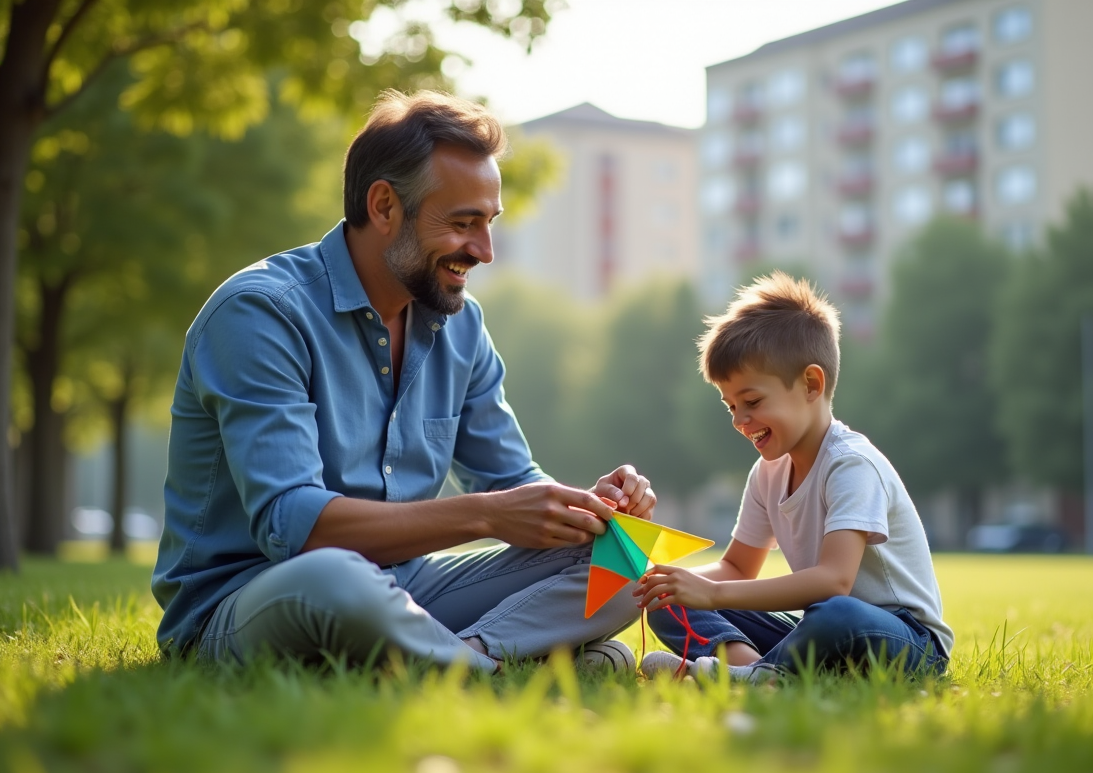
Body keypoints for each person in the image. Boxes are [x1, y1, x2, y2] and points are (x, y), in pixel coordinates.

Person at [151, 90, 654, 674]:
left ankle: (467, 657)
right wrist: (487, 514)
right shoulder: (260, 314)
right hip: (253, 597)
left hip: (407, 588)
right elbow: (292, 525)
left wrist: (590, 508)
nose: (485, 252)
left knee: (627, 555)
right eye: (463, 224)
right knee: (335, 574)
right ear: (385, 207)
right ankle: (513, 660)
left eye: (489, 225)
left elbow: (513, 482)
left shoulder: (461, 328)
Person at [634, 272, 951, 681]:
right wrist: (670, 583)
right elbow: (736, 568)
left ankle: (753, 673)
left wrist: (710, 593)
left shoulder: (851, 464)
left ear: (811, 385)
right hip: (818, 634)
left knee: (836, 612)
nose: (739, 420)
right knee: (670, 602)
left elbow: (835, 580)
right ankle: (754, 673)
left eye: (751, 401)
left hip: (904, 640)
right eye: (730, 406)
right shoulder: (767, 473)